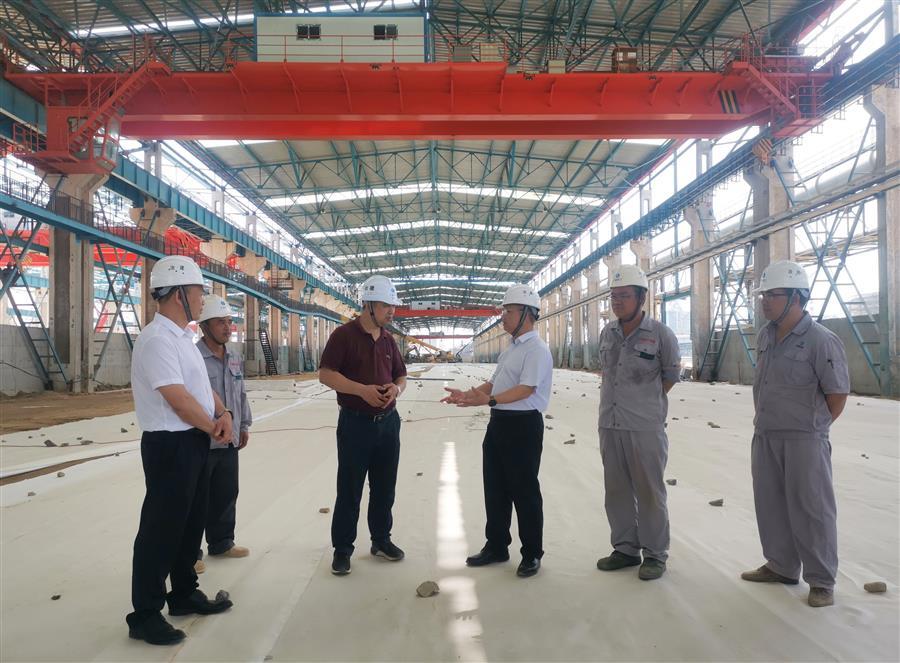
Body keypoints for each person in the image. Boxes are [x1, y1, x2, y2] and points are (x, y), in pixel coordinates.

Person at [127, 255, 234, 646]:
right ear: (178, 295)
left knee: (191, 523)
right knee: (161, 529)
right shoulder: (156, 340)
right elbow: (178, 399)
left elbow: (200, 390)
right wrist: (213, 426)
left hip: (193, 440)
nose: (203, 299)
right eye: (198, 292)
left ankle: (184, 592)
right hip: (169, 444)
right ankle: (144, 614)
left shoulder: (183, 338)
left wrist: (223, 412)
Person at [741, 260, 849, 608]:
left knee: (812, 509)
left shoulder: (821, 340)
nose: (764, 301)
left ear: (796, 297)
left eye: (772, 295)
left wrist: (811, 426)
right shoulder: (765, 336)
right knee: (770, 504)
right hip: (766, 434)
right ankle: (781, 566)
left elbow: (837, 395)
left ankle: (821, 580)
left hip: (804, 439)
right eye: (763, 295)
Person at [442, 284, 553, 578]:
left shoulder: (536, 350)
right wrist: (468, 395)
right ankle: (497, 546)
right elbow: (494, 383)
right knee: (495, 488)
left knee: (525, 492)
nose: (503, 317)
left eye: (509, 312)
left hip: (523, 426)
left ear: (527, 313)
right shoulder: (511, 349)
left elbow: (526, 389)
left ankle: (531, 553)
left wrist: (489, 400)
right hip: (499, 424)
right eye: (504, 311)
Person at [595, 264, 681, 581]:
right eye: (614, 296)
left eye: (624, 296)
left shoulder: (661, 334)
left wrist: (644, 403)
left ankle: (655, 554)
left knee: (649, 492)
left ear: (641, 298)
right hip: (610, 423)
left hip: (645, 426)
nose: (617, 302)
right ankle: (626, 550)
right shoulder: (608, 333)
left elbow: (670, 376)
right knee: (616, 491)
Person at [318, 275, 408, 576]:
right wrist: (361, 391)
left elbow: (401, 376)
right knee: (350, 489)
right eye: (385, 306)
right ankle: (342, 550)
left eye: (393, 306)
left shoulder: (388, 340)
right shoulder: (344, 336)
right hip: (356, 424)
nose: (391, 312)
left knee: (384, 487)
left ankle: (381, 540)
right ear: (368, 305)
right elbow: (326, 374)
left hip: (388, 424)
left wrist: (396, 390)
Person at [194, 294, 252, 574]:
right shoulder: (194, 358)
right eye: (220, 322)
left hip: (229, 439)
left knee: (226, 492)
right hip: (202, 440)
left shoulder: (234, 357)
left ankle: (222, 542)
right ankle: (191, 553)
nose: (227, 328)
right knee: (197, 499)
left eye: (229, 322)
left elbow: (240, 393)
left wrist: (243, 425)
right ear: (204, 326)